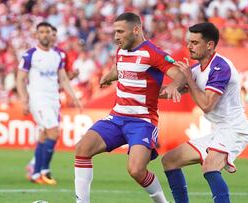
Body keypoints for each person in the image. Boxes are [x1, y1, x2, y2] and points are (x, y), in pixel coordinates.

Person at [74, 12, 185, 203]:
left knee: (136, 170)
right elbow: (120, 68)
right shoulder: (121, 50)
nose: (116, 37)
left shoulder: (153, 53)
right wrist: (108, 76)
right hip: (117, 117)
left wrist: (175, 85)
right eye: (115, 32)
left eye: (120, 32)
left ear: (136, 30)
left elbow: (180, 73)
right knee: (83, 148)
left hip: (142, 121)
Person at [161, 22, 248, 203]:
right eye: (189, 42)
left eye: (194, 42)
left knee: (210, 167)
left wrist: (188, 79)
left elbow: (207, 104)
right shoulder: (195, 70)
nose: (189, 46)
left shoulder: (221, 67)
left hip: (235, 130)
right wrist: (135, 88)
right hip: (219, 131)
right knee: (170, 160)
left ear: (209, 45)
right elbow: (167, 92)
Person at [17, 22, 82, 185]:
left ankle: (36, 173)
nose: (45, 34)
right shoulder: (29, 55)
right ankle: (44, 171)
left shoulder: (56, 56)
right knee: (54, 133)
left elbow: (63, 78)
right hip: (38, 100)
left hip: (53, 99)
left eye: (48, 31)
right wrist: (24, 99)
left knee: (44, 135)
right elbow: (20, 79)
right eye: (42, 32)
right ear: (36, 35)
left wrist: (73, 97)